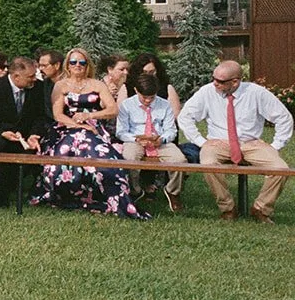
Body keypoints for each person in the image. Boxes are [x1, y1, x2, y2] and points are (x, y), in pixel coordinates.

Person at [32, 47, 146, 218]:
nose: (77, 65)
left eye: (82, 62)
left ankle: (115, 198)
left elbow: (112, 109)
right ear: (67, 65)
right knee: (62, 153)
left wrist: (89, 115)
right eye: (73, 62)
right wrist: (80, 126)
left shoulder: (97, 84)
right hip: (67, 128)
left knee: (106, 157)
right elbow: (58, 114)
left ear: (87, 65)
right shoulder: (60, 85)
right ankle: (66, 195)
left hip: (94, 127)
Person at [179, 60, 293, 223]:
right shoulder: (207, 92)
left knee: (281, 169)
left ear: (235, 81)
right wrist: (201, 142)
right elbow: (185, 116)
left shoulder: (256, 93)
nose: (215, 83)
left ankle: (261, 208)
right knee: (208, 164)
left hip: (250, 143)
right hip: (218, 143)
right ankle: (228, 208)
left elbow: (284, 117)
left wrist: (275, 145)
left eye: (220, 81)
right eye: (214, 78)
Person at [0, 56, 50, 207]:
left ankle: (4, 189)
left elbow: (40, 116)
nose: (34, 79)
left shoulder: (37, 87)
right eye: (30, 76)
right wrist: (2, 132)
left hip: (22, 134)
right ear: (16, 76)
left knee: (32, 151)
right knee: (1, 145)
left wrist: (34, 134)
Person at [115, 71, 187, 213]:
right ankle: (135, 190)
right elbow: (121, 131)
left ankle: (173, 191)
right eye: (144, 97)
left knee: (180, 160)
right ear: (136, 90)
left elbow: (171, 130)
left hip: (159, 140)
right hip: (135, 140)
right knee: (129, 158)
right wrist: (136, 139)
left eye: (151, 97)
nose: (148, 101)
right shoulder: (127, 105)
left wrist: (162, 139)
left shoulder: (164, 105)